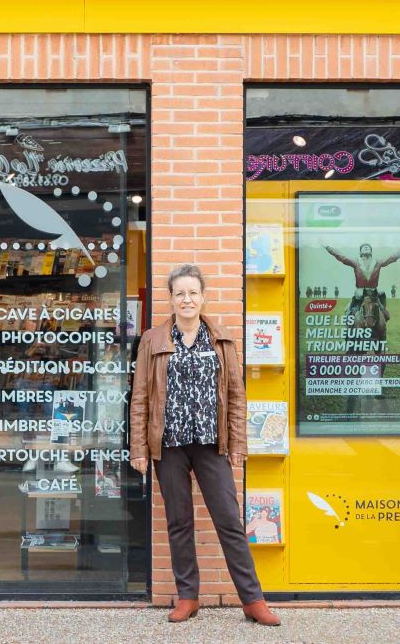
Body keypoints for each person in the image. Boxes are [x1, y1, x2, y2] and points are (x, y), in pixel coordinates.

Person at [129, 264, 280, 626]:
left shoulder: (221, 340)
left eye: (193, 293)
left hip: (212, 444)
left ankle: (253, 600)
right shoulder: (152, 340)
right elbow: (140, 397)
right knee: (179, 522)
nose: (187, 299)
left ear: (203, 297)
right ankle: (188, 597)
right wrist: (139, 448)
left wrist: (239, 443)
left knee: (229, 520)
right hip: (169, 445)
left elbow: (236, 395)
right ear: (171, 299)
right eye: (180, 293)